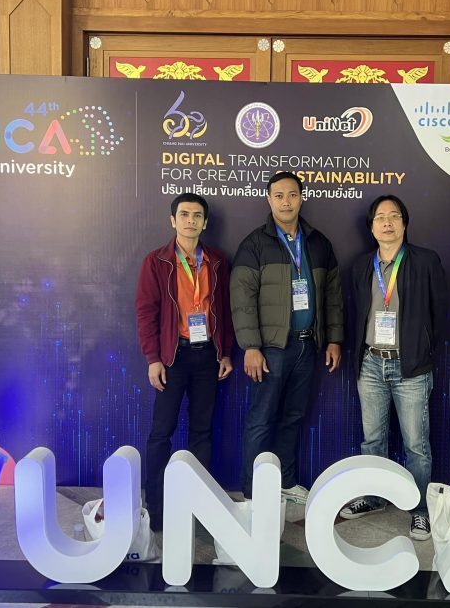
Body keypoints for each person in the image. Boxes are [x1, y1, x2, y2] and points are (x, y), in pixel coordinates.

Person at [231, 170, 344, 504]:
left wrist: (334, 339)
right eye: (279, 195)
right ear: (269, 200)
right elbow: (242, 299)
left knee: (293, 417)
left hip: (308, 345)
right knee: (261, 419)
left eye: (292, 195)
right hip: (271, 349)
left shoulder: (318, 243)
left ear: (301, 198)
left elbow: (333, 296)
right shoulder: (254, 244)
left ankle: (285, 481)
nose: (286, 202)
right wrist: (251, 347)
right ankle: (253, 492)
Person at [340, 194, 448, 541]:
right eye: (380, 217)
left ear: (404, 223)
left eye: (394, 216)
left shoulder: (426, 261)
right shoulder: (361, 266)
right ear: (371, 227)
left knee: (416, 444)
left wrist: (422, 349)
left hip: (410, 366)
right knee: (373, 439)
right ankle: (374, 497)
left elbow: (440, 313)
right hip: (371, 363)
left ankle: (419, 510)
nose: (387, 222)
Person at [135, 193, 234, 531]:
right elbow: (146, 312)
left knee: (201, 432)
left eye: (197, 215)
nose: (190, 220)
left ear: (205, 223)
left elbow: (225, 312)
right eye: (184, 214)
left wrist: (225, 352)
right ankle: (157, 508)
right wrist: (153, 358)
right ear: (173, 220)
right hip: (172, 357)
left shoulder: (217, 261)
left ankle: (198, 508)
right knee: (161, 432)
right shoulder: (156, 261)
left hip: (208, 355)